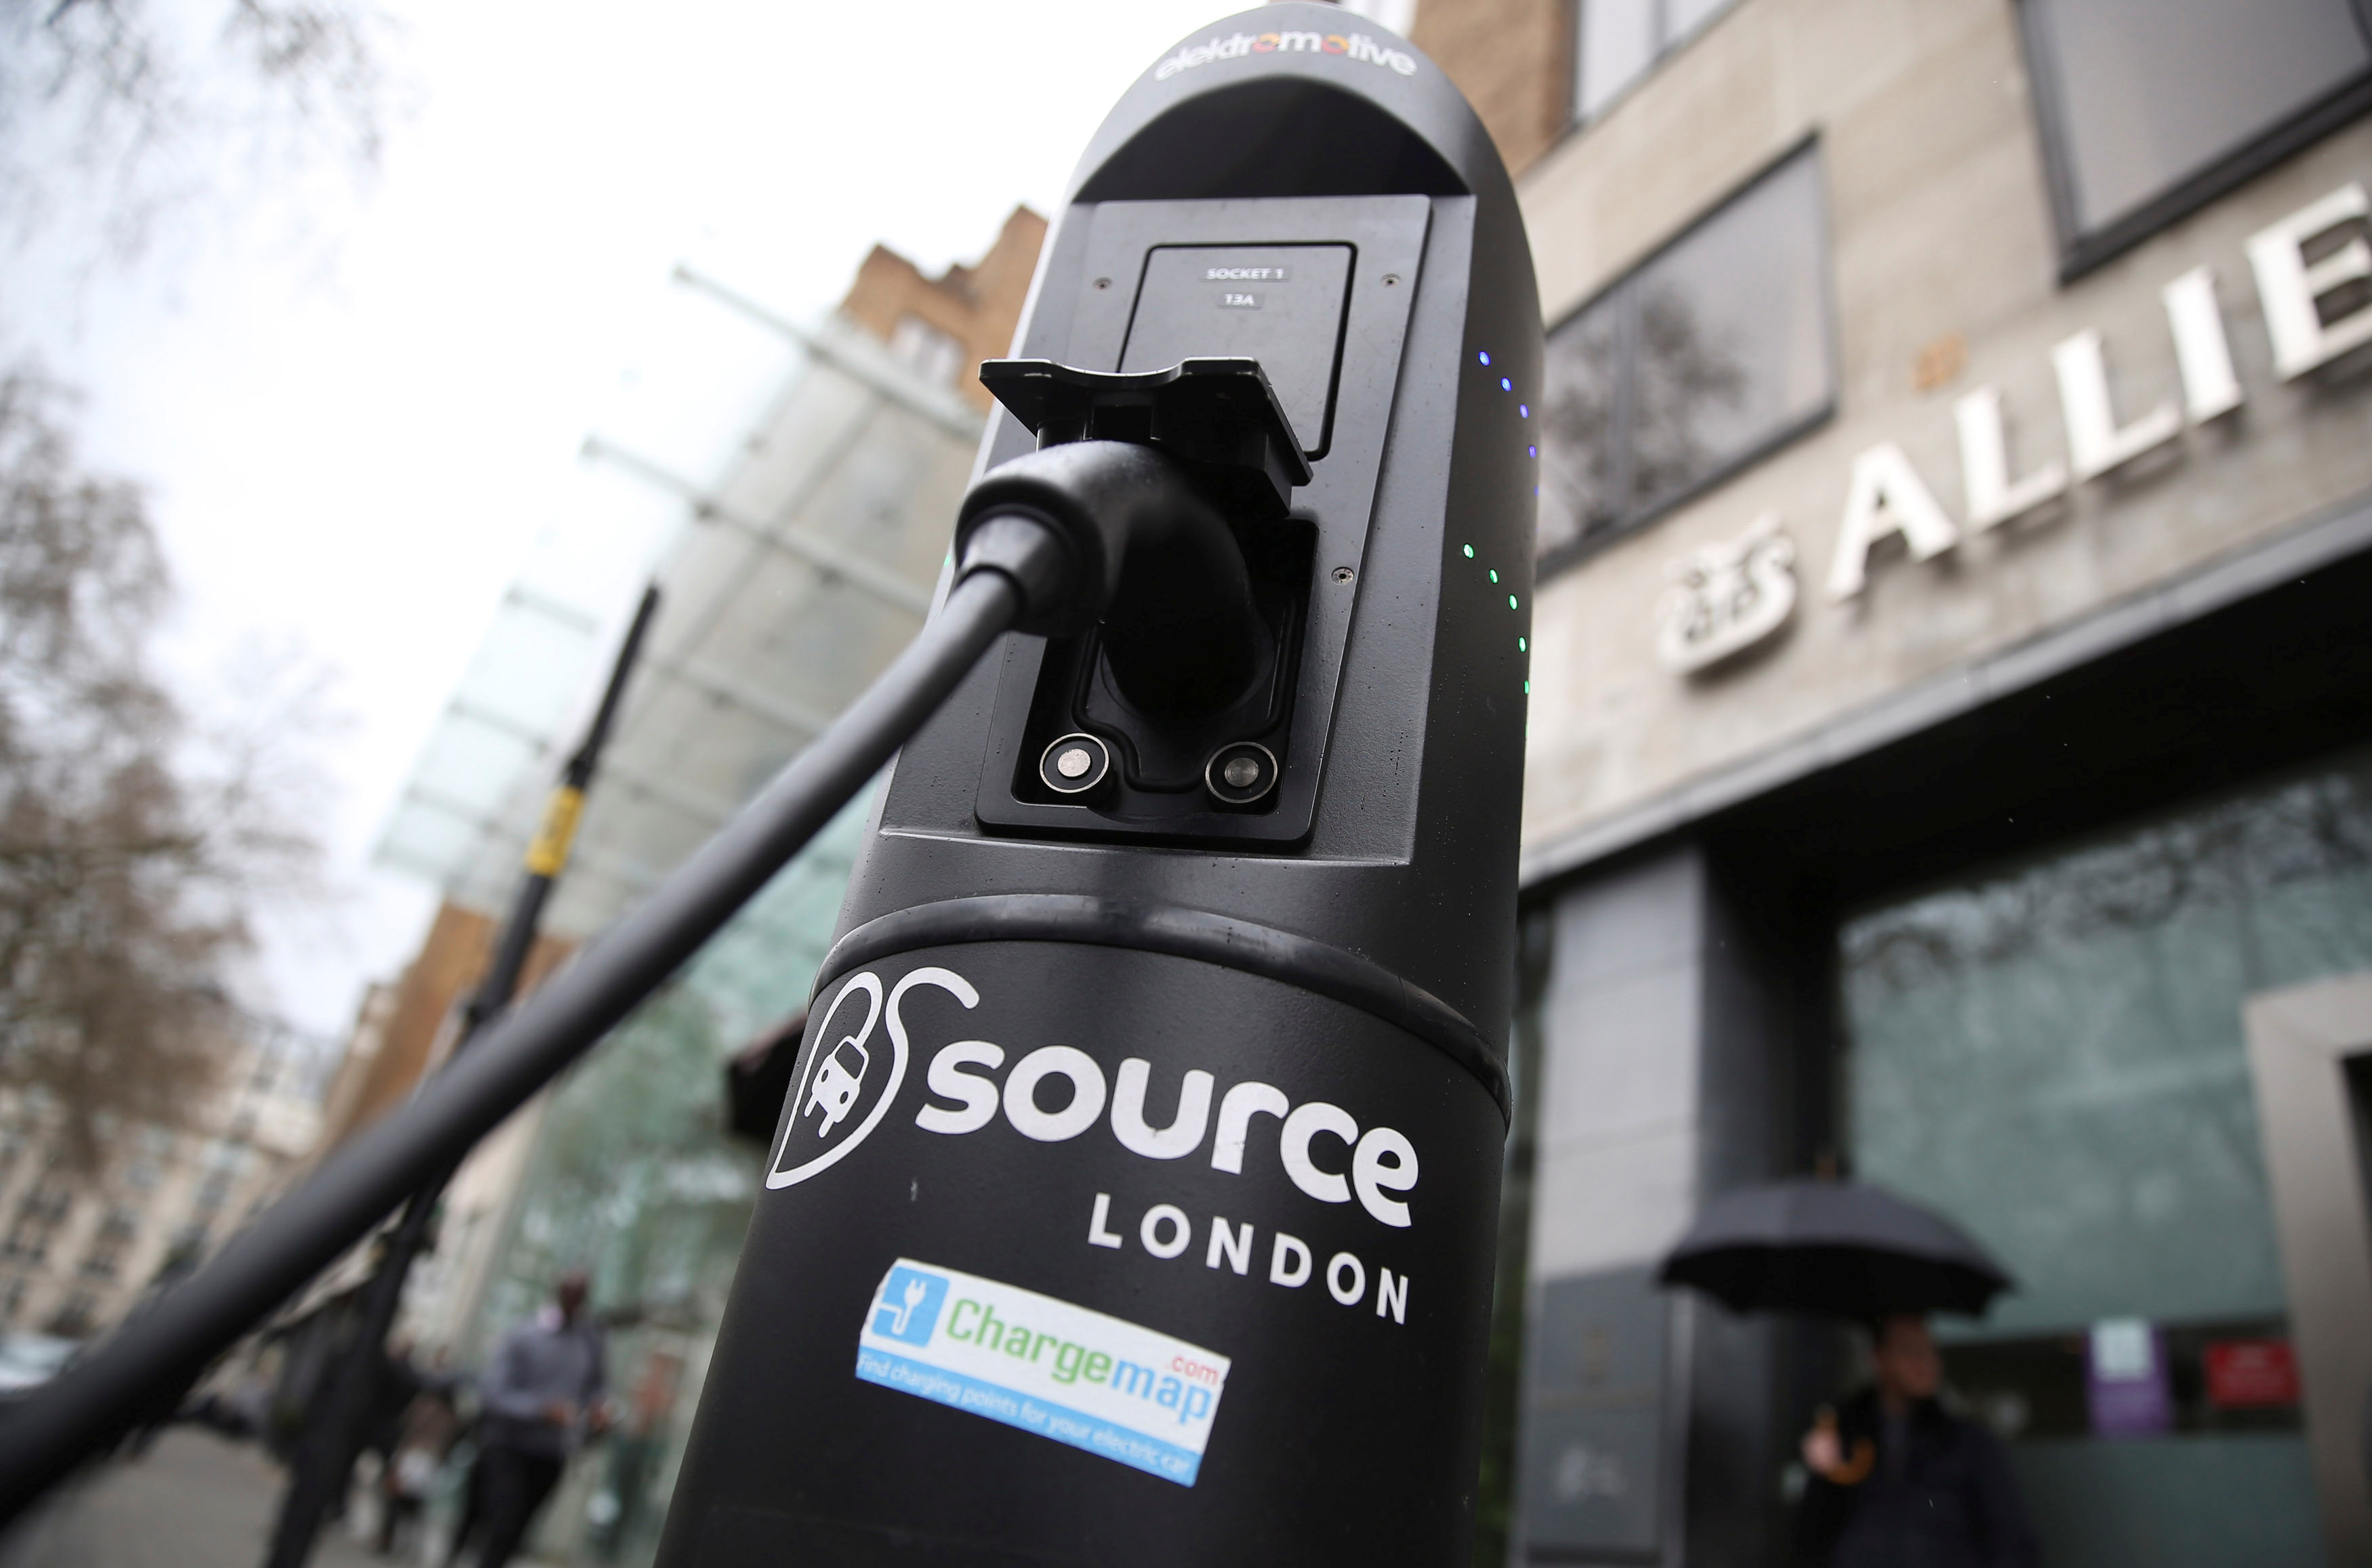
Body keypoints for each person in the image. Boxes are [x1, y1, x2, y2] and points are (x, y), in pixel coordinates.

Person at [1794, 1314, 2039, 1568]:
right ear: (1879, 1359)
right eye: (1909, 1351)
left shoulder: (1968, 1444)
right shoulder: (1844, 1439)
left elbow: (2012, 1541)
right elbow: (1814, 1536)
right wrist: (1822, 1474)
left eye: (1930, 1350)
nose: (1925, 1362)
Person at [469, 1271, 607, 1568]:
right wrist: (540, 1410)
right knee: (502, 1521)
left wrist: (598, 1409)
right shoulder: (524, 1334)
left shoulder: (590, 1341)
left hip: (552, 1453)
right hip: (509, 1447)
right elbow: (494, 1393)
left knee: (517, 1531)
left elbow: (598, 1387)